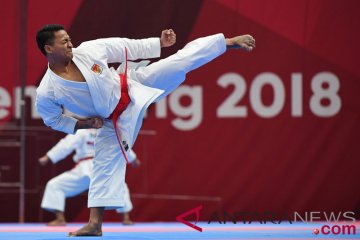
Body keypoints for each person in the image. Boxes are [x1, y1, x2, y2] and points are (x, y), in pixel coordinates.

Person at [35, 24, 255, 236]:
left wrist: (158, 43)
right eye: (64, 42)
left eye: (69, 39)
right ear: (49, 48)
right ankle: (95, 225)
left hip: (133, 85)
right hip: (111, 121)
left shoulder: (88, 51)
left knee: (177, 63)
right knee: (103, 167)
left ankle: (225, 43)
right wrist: (85, 124)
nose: (70, 44)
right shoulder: (48, 91)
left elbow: (124, 46)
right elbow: (53, 119)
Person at [39, 129, 140, 226]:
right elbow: (123, 143)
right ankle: (125, 217)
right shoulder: (106, 130)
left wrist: (48, 157)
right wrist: (133, 159)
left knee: (55, 185)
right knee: (120, 185)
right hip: (102, 167)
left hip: (88, 168)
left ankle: (60, 218)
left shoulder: (83, 131)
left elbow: (65, 145)